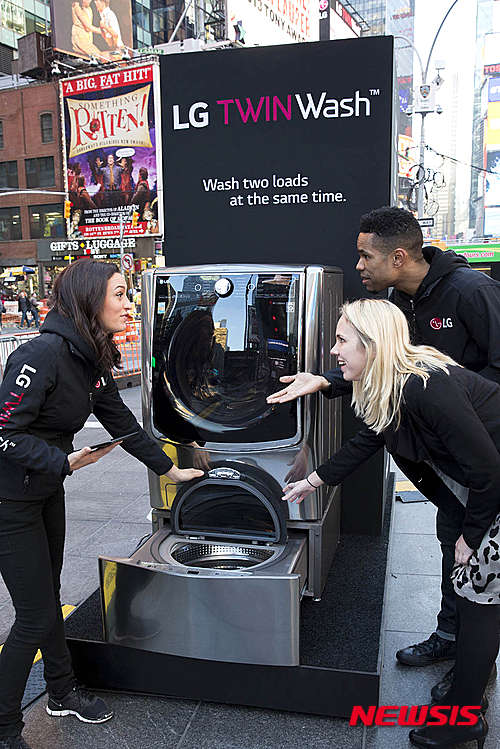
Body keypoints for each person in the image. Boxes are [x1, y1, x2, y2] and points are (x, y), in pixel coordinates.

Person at [268, 205, 500, 699]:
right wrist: (325, 392)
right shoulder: (397, 307)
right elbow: (379, 397)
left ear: (397, 257)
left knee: (480, 575)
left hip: (482, 456)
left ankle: (470, 686)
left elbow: (479, 450)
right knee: (455, 549)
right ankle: (453, 641)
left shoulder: (472, 294)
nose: (358, 265)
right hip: (455, 463)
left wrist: (459, 412)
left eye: (364, 255)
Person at [0, 259, 203, 749]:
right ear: (91, 299)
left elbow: (123, 423)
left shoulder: (89, 358)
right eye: (120, 293)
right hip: (9, 502)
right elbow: (4, 432)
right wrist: (63, 461)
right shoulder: (40, 354)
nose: (129, 303)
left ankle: (61, 691)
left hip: (44, 492)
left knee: (48, 601)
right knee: (33, 617)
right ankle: (6, 728)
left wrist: (170, 470)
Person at [283, 298, 498, 749]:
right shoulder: (393, 383)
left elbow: (489, 472)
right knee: (476, 598)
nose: (335, 351)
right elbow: (368, 440)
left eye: (342, 340)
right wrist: (313, 481)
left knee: (480, 601)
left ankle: (463, 721)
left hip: (492, 490)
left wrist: (470, 535)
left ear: (373, 345)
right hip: (486, 490)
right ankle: (464, 705)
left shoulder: (425, 386)